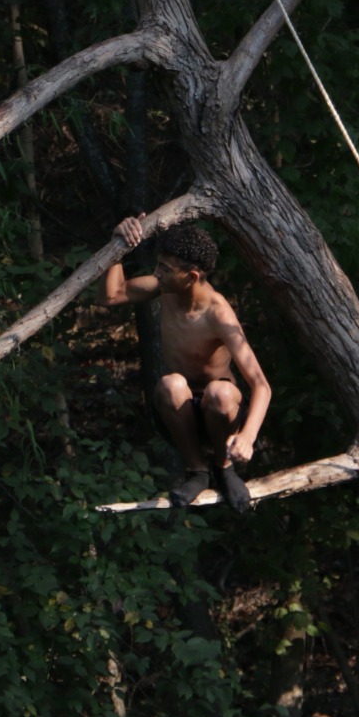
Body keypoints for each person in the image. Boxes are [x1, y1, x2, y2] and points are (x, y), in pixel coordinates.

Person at [104, 217, 271, 512]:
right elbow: (111, 295)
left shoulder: (218, 314)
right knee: (170, 384)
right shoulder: (165, 289)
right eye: (158, 266)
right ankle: (198, 471)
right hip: (179, 413)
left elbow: (261, 386)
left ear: (191, 277)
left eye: (165, 269)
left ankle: (223, 467)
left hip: (222, 415)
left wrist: (247, 437)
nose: (157, 273)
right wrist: (116, 245)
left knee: (220, 392)